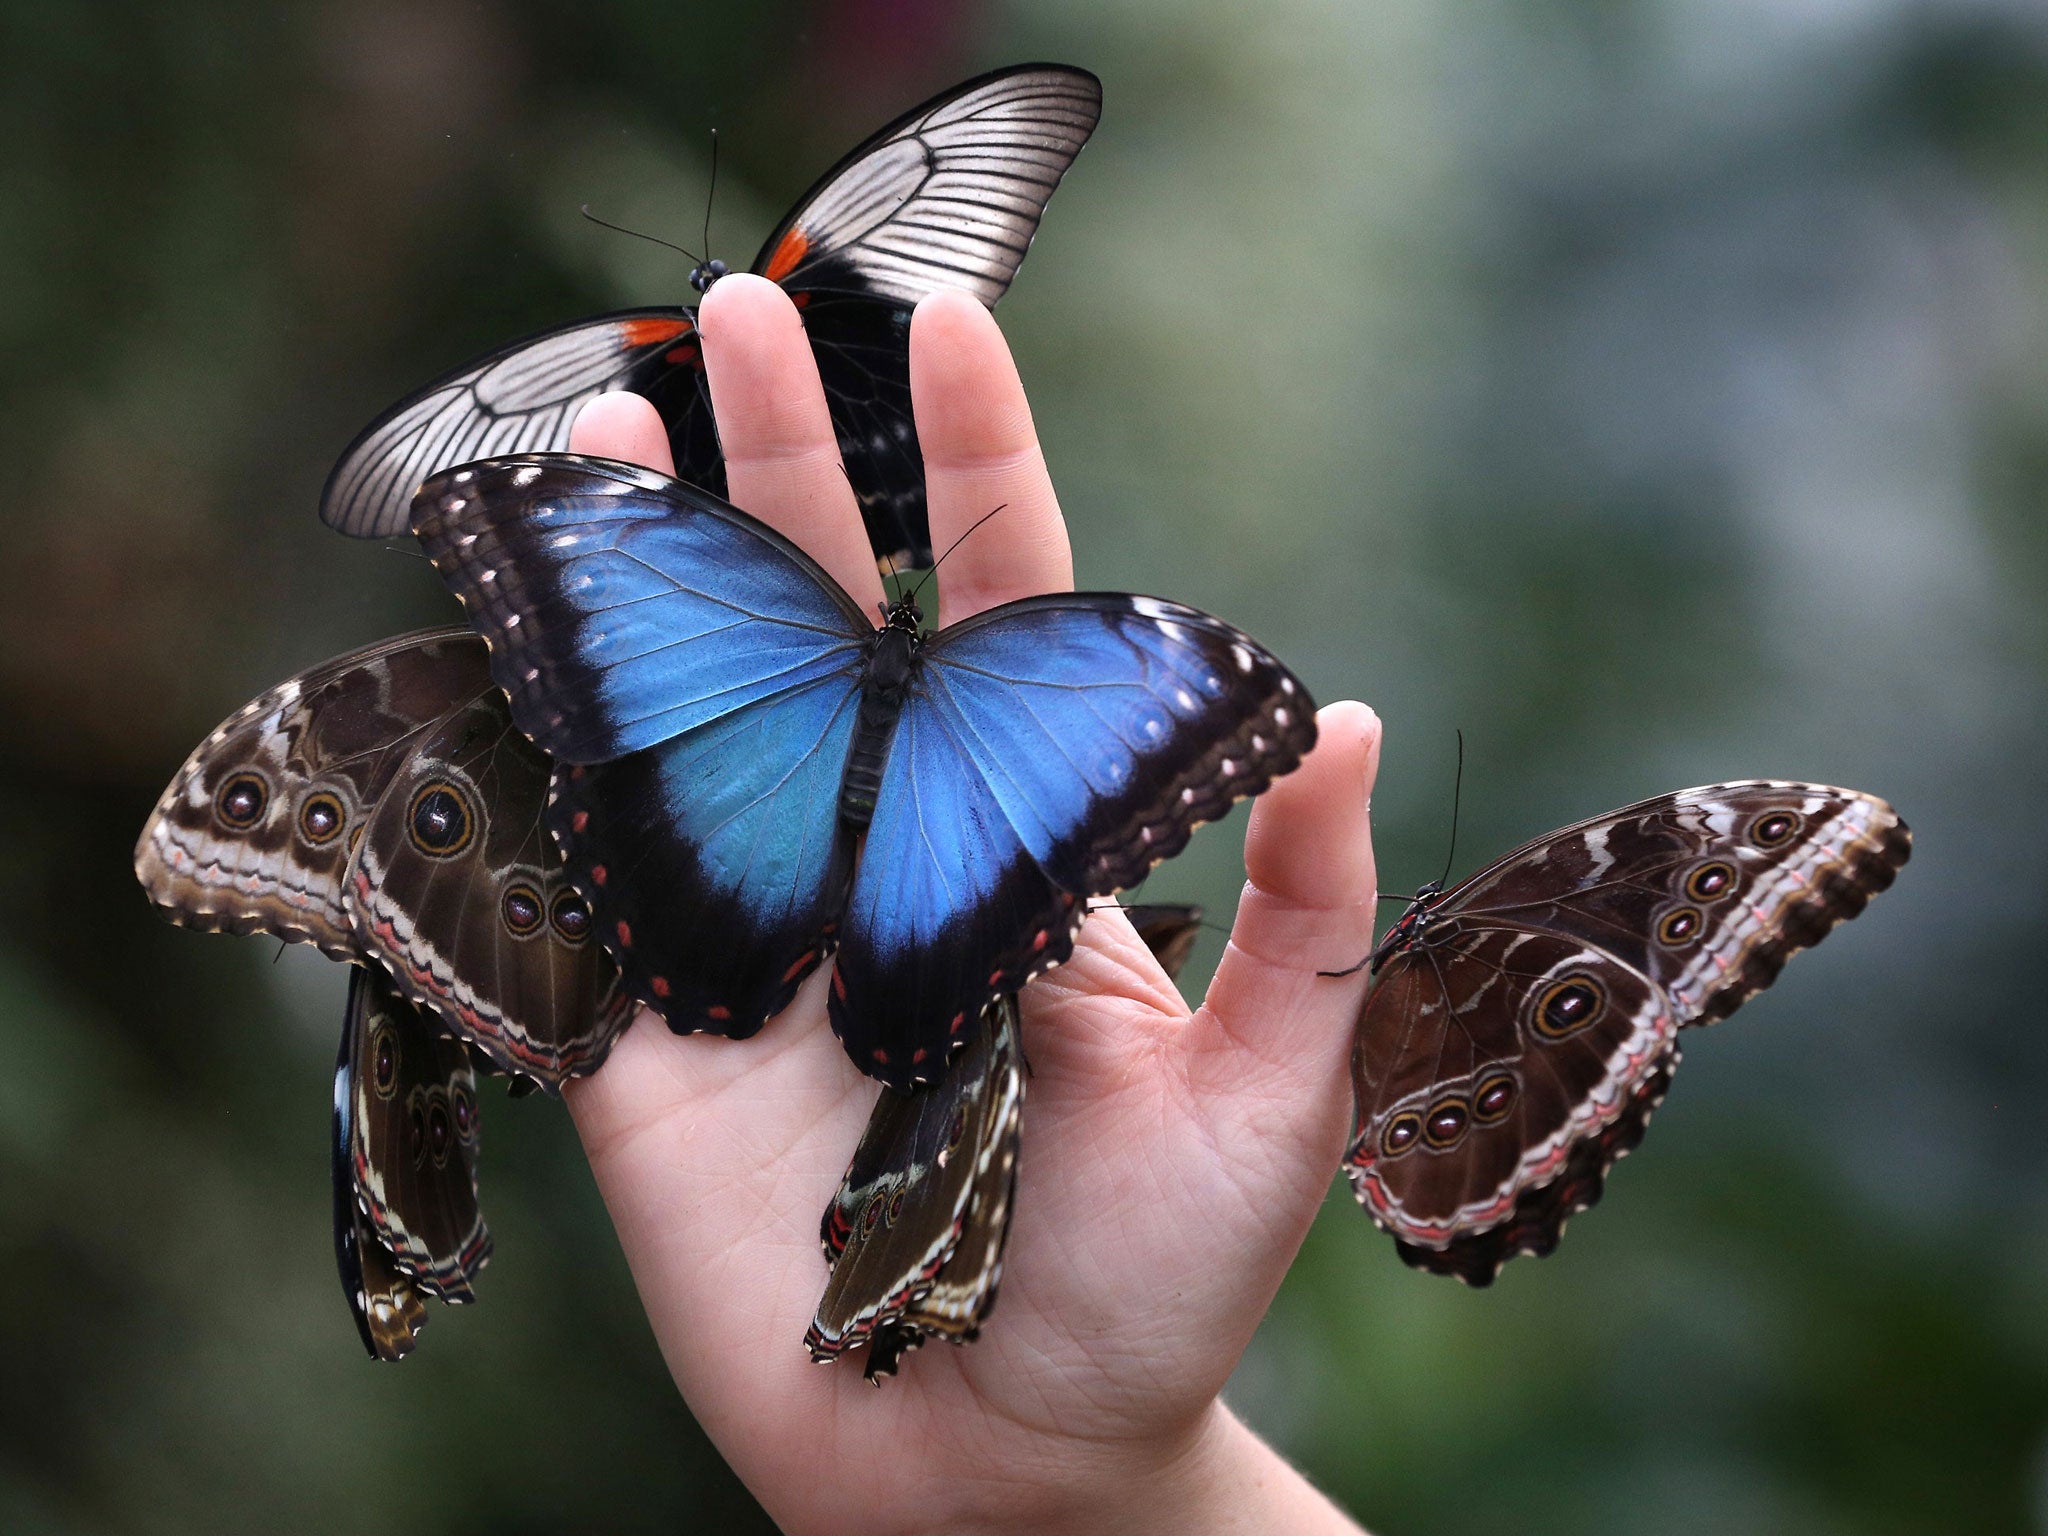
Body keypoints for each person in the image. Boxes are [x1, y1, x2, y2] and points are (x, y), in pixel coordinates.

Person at [563, 273, 1381, 1535]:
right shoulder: (1023, 671)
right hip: (910, 871)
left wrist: (1107, 1483)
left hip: (766, 827)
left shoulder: (792, 612)